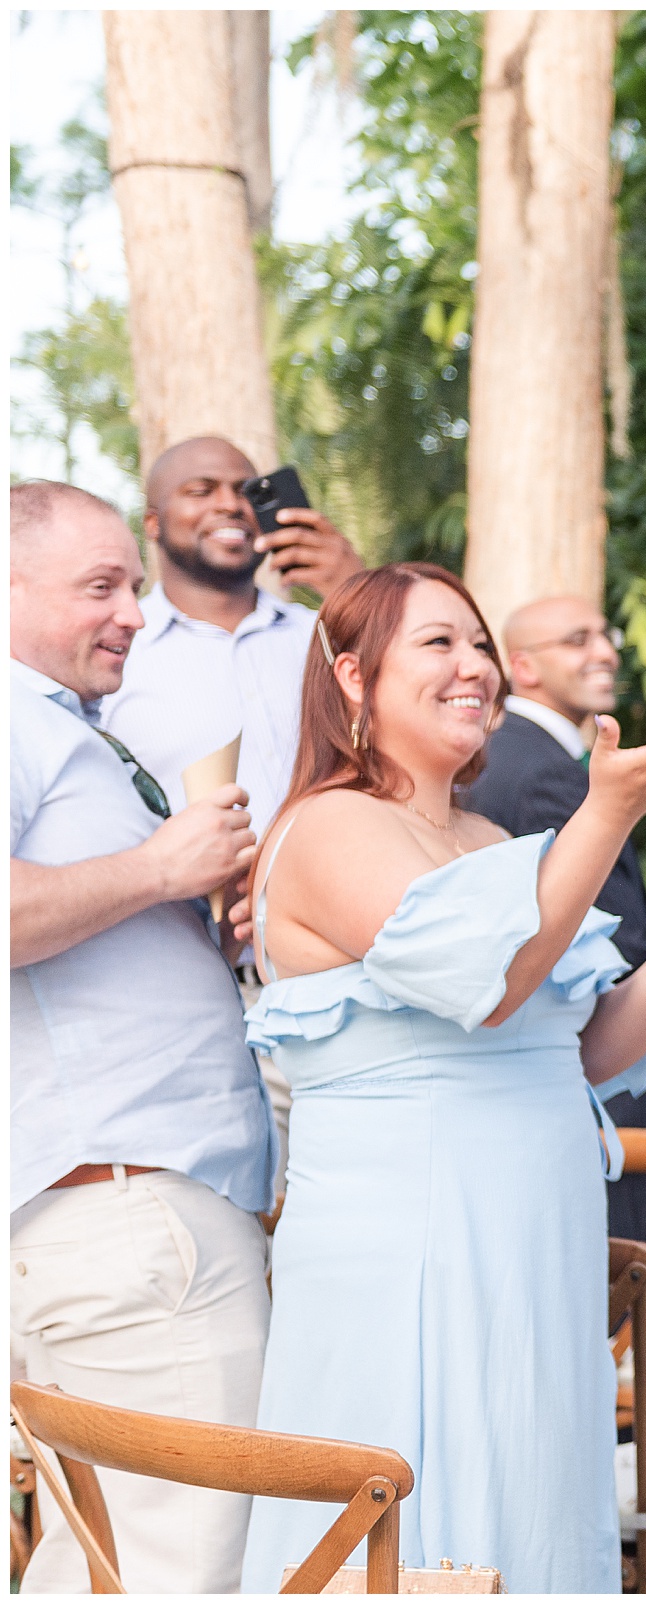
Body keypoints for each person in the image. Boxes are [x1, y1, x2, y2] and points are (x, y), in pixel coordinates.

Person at [236, 563, 646, 1594]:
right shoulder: (330, 824)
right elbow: (481, 986)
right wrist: (606, 814)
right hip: (414, 1250)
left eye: (479, 643)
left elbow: (569, 1047)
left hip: (534, 1242)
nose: (473, 665)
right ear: (353, 674)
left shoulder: (489, 839)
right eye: (439, 643)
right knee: (424, 1496)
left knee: (530, 1497)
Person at [8, 480, 273, 1593]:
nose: (132, 611)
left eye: (132, 582)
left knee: (106, 1562)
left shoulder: (69, 729)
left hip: (137, 1208)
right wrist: (164, 866)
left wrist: (205, 917)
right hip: (130, 1211)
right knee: (190, 1564)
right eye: (100, 586)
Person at [101, 435, 367, 1194]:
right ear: (152, 523)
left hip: (336, 978)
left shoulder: (328, 637)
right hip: (190, 982)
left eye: (246, 489)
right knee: (227, 1212)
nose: (228, 504)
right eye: (201, 489)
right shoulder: (120, 656)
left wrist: (355, 588)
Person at [465, 595, 646, 1278]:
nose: (604, 651)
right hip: (608, 1084)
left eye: (604, 634)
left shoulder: (506, 758)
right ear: (523, 667)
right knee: (629, 1316)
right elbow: (607, 932)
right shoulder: (540, 770)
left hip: (571, 1072)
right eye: (576, 640)